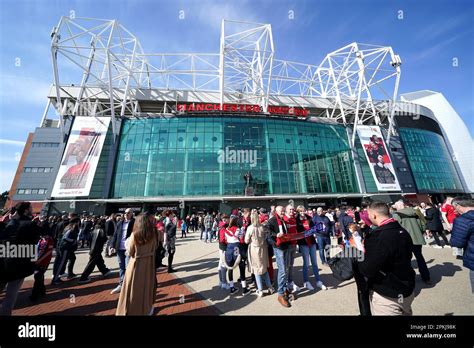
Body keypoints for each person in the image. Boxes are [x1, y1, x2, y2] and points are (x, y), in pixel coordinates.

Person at [358, 201, 416, 315]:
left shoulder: (379, 236)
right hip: (406, 289)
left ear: (374, 215)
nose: (368, 217)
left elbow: (367, 269)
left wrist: (360, 254)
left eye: (369, 214)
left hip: (388, 295)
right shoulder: (402, 231)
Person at [0, 202, 41, 315]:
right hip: (19, 264)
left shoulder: (9, 224)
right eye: (31, 208)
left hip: (4, 261)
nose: (32, 210)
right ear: (26, 210)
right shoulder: (30, 225)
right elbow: (34, 244)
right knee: (11, 294)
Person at [116, 213, 158, 315]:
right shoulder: (154, 233)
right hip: (149, 263)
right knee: (147, 287)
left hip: (136, 263)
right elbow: (156, 247)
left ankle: (131, 310)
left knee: (132, 289)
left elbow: (130, 251)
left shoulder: (135, 234)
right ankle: (146, 308)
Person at [393, 200, 430, 284]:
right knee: (420, 257)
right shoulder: (415, 211)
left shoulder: (397, 215)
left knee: (406, 260)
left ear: (398, 207)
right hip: (417, 238)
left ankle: (409, 279)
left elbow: (396, 228)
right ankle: (426, 277)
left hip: (405, 240)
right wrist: (421, 232)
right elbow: (423, 224)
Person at [265, 205, 292, 307]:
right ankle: (280, 294)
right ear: (276, 211)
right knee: (282, 271)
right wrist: (276, 235)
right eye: (281, 211)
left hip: (286, 246)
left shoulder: (283, 220)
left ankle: (284, 289)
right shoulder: (272, 220)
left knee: (286, 269)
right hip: (279, 247)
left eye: (283, 210)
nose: (282, 212)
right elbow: (266, 230)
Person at [296, 205, 327, 291]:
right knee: (306, 263)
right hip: (303, 243)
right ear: (298, 212)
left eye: (303, 211)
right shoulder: (296, 220)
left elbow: (314, 228)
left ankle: (318, 281)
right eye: (301, 211)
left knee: (315, 262)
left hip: (312, 242)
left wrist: (319, 228)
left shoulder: (309, 218)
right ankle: (306, 282)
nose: (303, 213)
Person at [245, 211, 275, 297]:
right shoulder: (262, 227)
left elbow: (246, 240)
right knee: (264, 268)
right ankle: (270, 287)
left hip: (254, 249)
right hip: (263, 248)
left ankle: (260, 289)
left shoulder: (250, 228)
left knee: (256, 269)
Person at [450, 197, 474, 293]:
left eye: (454, 208)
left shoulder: (462, 220)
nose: (454, 211)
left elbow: (457, 242)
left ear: (458, 206)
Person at [110, 208, 135, 294]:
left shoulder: (134, 223)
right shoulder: (120, 223)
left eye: (128, 213)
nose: (126, 214)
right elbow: (115, 235)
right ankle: (121, 284)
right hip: (119, 248)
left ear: (132, 214)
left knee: (128, 266)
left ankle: (128, 284)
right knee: (121, 266)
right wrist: (112, 246)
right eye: (125, 213)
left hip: (128, 248)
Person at [78, 219, 111, 284]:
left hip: (93, 248)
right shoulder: (102, 230)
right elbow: (104, 238)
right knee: (91, 264)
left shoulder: (93, 230)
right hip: (97, 249)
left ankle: (104, 271)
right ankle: (83, 277)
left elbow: (89, 239)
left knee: (99, 261)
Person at [223, 216, 248, 295]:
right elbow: (241, 239)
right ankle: (244, 288)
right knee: (242, 267)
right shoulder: (238, 229)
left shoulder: (226, 229)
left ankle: (232, 287)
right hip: (237, 248)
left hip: (229, 249)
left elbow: (225, 240)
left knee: (230, 268)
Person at [52, 216, 80, 284]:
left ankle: (56, 277)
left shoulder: (68, 227)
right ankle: (55, 279)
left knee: (59, 262)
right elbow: (65, 237)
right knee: (61, 263)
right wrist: (73, 241)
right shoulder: (72, 228)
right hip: (65, 247)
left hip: (62, 246)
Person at [30, 223, 54, 301]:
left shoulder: (49, 240)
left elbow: (49, 252)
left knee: (37, 277)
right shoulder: (41, 239)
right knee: (39, 277)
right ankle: (42, 290)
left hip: (44, 261)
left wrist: (39, 260)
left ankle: (34, 295)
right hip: (38, 260)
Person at [282, 205, 300, 293]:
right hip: (287, 246)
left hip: (294, 245)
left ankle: (290, 281)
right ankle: (285, 284)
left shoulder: (293, 219)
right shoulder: (284, 219)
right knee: (286, 266)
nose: (292, 211)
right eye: (290, 209)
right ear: (285, 210)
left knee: (291, 265)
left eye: (293, 209)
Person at [217, 214, 230, 289]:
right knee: (223, 265)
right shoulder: (224, 226)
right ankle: (224, 283)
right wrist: (228, 241)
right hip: (224, 246)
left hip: (221, 246)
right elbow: (222, 239)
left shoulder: (220, 225)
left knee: (220, 264)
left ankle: (221, 281)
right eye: (227, 218)